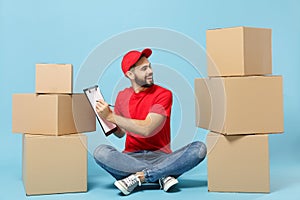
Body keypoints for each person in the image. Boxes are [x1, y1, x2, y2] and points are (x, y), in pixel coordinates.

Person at [94, 48, 207, 195]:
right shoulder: (122, 96)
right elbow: (121, 133)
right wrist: (104, 117)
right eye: (144, 69)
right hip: (131, 158)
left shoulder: (163, 94)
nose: (151, 71)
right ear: (130, 74)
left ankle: (140, 177)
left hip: (162, 156)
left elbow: (147, 129)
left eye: (150, 66)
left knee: (199, 149)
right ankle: (161, 175)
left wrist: (111, 116)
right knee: (100, 152)